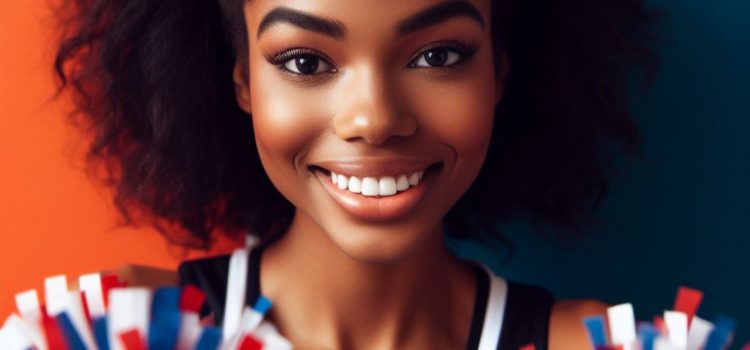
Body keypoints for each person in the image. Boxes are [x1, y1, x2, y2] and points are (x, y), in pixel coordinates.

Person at [53, 0, 658, 348]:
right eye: (305, 61)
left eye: (439, 56)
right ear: (242, 81)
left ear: (498, 73)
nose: (374, 120)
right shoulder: (119, 332)